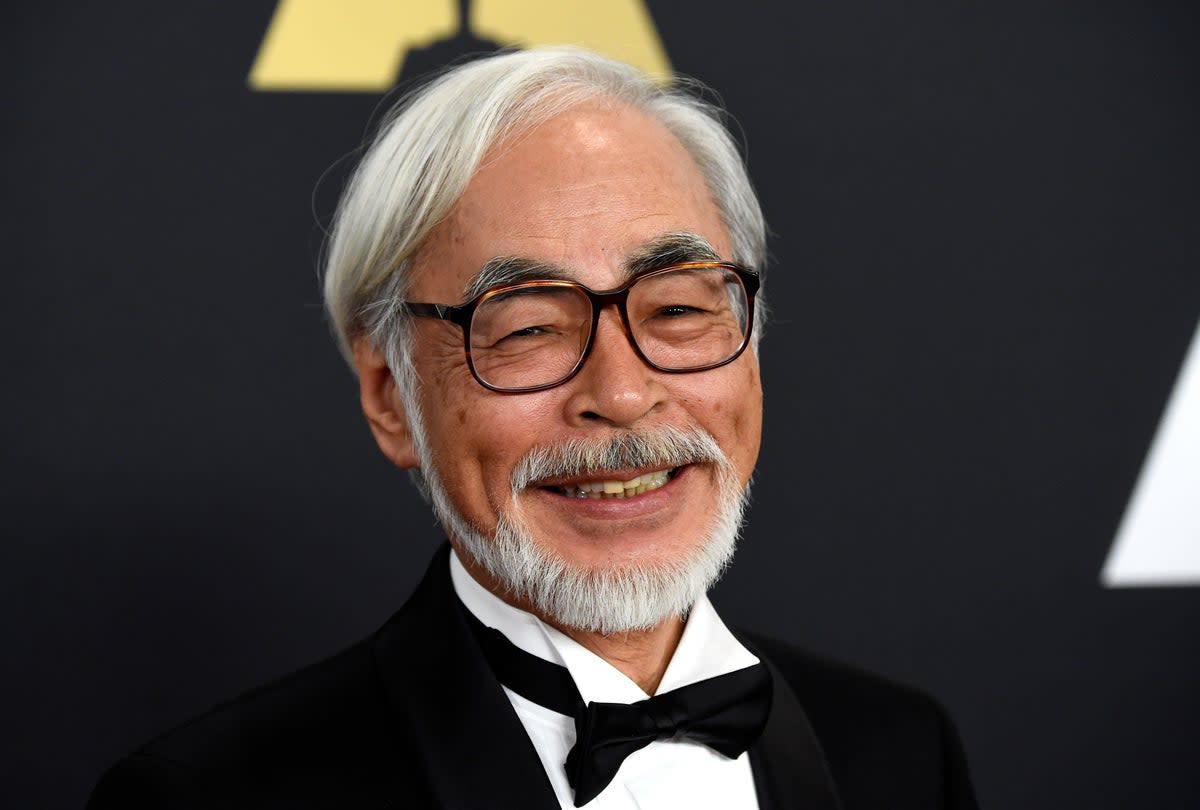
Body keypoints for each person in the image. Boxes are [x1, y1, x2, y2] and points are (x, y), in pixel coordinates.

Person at [88, 47, 979, 810]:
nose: (623, 394)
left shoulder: (902, 754)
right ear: (389, 397)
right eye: (525, 328)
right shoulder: (209, 796)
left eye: (674, 308)